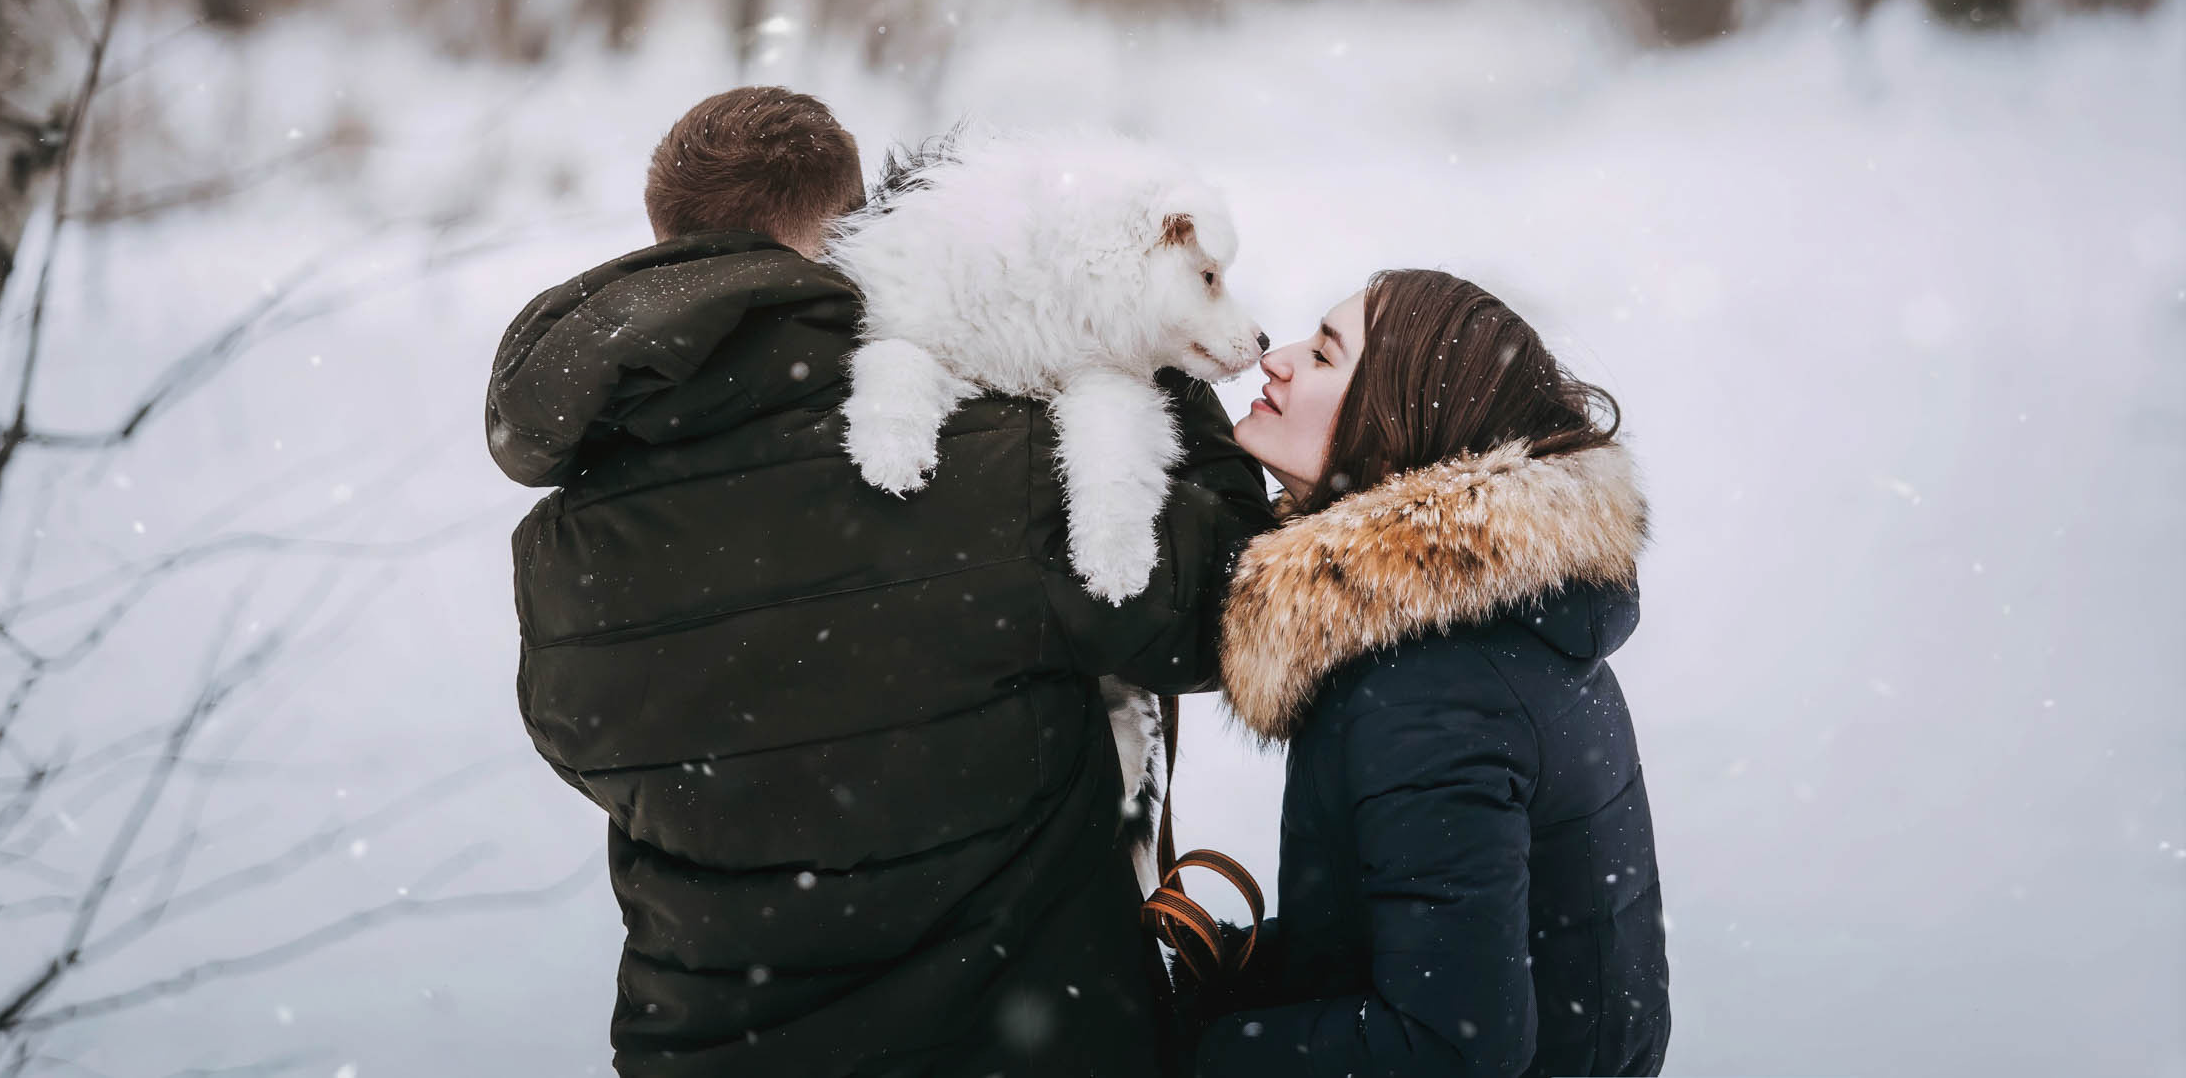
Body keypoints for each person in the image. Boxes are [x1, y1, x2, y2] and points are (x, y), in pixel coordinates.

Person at [484, 87, 1273, 1077]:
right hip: (1020, 1040)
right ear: (850, 227)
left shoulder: (566, 548)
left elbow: (604, 754)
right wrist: (1145, 345)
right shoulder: (999, 474)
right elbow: (1239, 611)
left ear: (664, 243)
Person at [1185, 269, 1670, 1077]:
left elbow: (1450, 1049)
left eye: (1324, 354)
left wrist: (1200, 1055)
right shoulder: (1501, 622)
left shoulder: (1428, 688)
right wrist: (1242, 974)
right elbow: (1436, 936)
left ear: (1396, 420)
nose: (1278, 358)